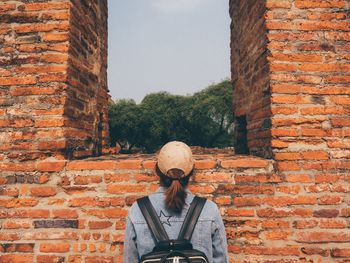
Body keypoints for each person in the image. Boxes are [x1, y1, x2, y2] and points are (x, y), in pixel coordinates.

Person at [124, 141, 229, 262]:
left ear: (157, 171)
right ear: (191, 172)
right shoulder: (209, 210)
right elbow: (221, 260)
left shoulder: (138, 210)